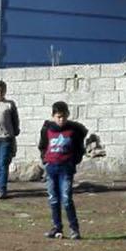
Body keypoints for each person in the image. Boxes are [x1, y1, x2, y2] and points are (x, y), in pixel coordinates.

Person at [38, 100, 88, 240]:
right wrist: (45, 160)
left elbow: (79, 148)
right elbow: (43, 146)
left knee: (66, 198)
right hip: (51, 168)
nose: (61, 120)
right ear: (53, 116)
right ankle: (57, 227)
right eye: (59, 117)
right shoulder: (47, 130)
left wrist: (74, 161)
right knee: (53, 199)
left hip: (66, 168)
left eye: (64, 116)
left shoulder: (73, 131)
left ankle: (74, 229)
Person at [0, 80, 20, 199]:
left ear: (5, 92)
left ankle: (2, 189)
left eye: (1, 91)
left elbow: (15, 120)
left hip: (6, 138)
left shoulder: (9, 105)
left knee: (3, 163)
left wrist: (15, 132)